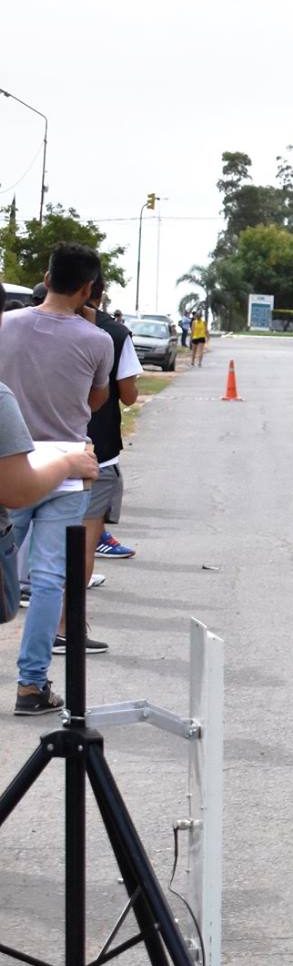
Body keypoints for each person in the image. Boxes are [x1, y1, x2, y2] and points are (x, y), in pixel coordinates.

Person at [0, 244, 114, 715]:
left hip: (13, 458)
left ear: (46, 278)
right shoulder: (96, 340)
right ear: (88, 288)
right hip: (68, 464)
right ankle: (31, 685)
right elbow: (97, 401)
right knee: (49, 578)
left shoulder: (5, 326)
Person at [65, 275, 138, 655]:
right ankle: (67, 626)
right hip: (95, 451)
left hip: (36, 450)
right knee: (85, 545)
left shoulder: (21, 325)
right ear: (99, 290)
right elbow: (127, 395)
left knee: (44, 548)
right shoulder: (112, 335)